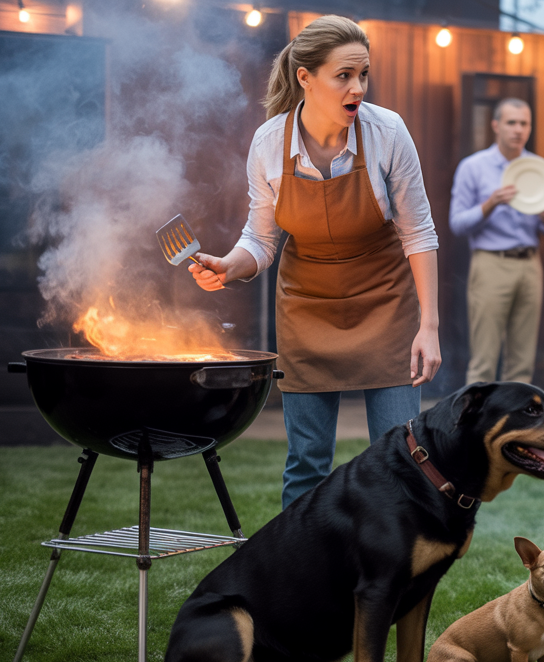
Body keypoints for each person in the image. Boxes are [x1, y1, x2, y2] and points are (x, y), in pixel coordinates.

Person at [189, 15, 441, 510]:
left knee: (399, 460)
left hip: (386, 304)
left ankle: (389, 580)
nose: (357, 88)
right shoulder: (268, 142)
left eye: (363, 75)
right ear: (305, 77)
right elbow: (260, 240)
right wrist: (227, 265)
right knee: (306, 461)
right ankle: (300, 579)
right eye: (343, 75)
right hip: (307, 307)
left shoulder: (387, 132)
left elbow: (419, 233)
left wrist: (428, 326)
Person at [450, 98, 544, 385]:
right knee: (484, 360)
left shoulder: (540, 169)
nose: (518, 129)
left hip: (530, 264)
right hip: (491, 264)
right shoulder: (473, 167)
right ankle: (474, 427)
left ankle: (518, 427)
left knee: (523, 362)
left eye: (524, 123)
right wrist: (491, 203)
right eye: (512, 122)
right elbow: (457, 223)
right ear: (496, 125)